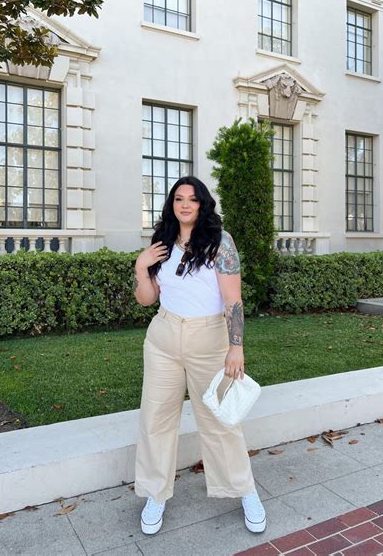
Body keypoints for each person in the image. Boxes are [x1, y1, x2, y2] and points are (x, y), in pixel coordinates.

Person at [132, 176, 266, 536]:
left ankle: (245, 490)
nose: (185, 204)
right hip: (163, 337)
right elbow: (146, 298)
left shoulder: (219, 243)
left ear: (203, 204)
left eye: (192, 199)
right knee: (156, 419)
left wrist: (236, 346)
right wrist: (140, 267)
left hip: (209, 339)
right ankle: (155, 493)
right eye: (179, 199)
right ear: (172, 204)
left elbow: (233, 300)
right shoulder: (161, 242)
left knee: (221, 421)